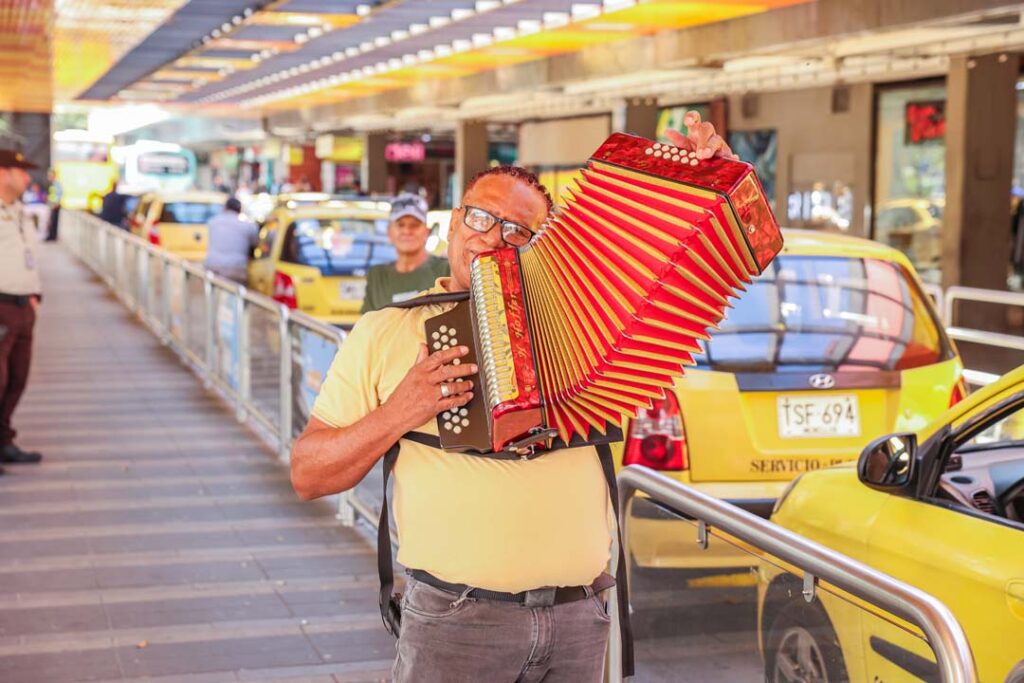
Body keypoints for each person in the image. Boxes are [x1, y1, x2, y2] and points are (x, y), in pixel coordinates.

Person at [289, 112, 732, 682]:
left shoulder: (586, 328)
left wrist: (708, 185)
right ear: (453, 223)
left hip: (581, 616)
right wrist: (403, 410)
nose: (494, 237)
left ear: (543, 249)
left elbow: (678, 269)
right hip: (457, 621)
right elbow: (308, 474)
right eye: (480, 217)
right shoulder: (386, 331)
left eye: (520, 231)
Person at [0, 150, 45, 475]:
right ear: (3, 174)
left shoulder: (18, 212)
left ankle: (4, 441)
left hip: (22, 306)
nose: (27, 178)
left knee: (17, 378)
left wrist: (34, 296)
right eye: (21, 171)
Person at [361, 193, 450, 313]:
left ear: (427, 231)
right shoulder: (377, 276)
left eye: (414, 225)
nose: (407, 231)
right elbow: (367, 325)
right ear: (389, 232)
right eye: (400, 225)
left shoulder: (445, 270)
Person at [204, 197, 258, 284]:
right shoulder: (248, 226)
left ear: (225, 208)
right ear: (240, 210)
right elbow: (255, 243)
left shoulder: (213, 222)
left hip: (212, 267)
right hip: (236, 268)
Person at [44, 168, 61, 242]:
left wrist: (56, 203)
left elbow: (59, 194)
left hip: (55, 205)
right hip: (52, 205)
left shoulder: (56, 184)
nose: (49, 177)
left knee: (53, 222)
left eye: (50, 176)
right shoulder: (52, 184)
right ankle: (51, 236)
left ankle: (52, 236)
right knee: (51, 221)